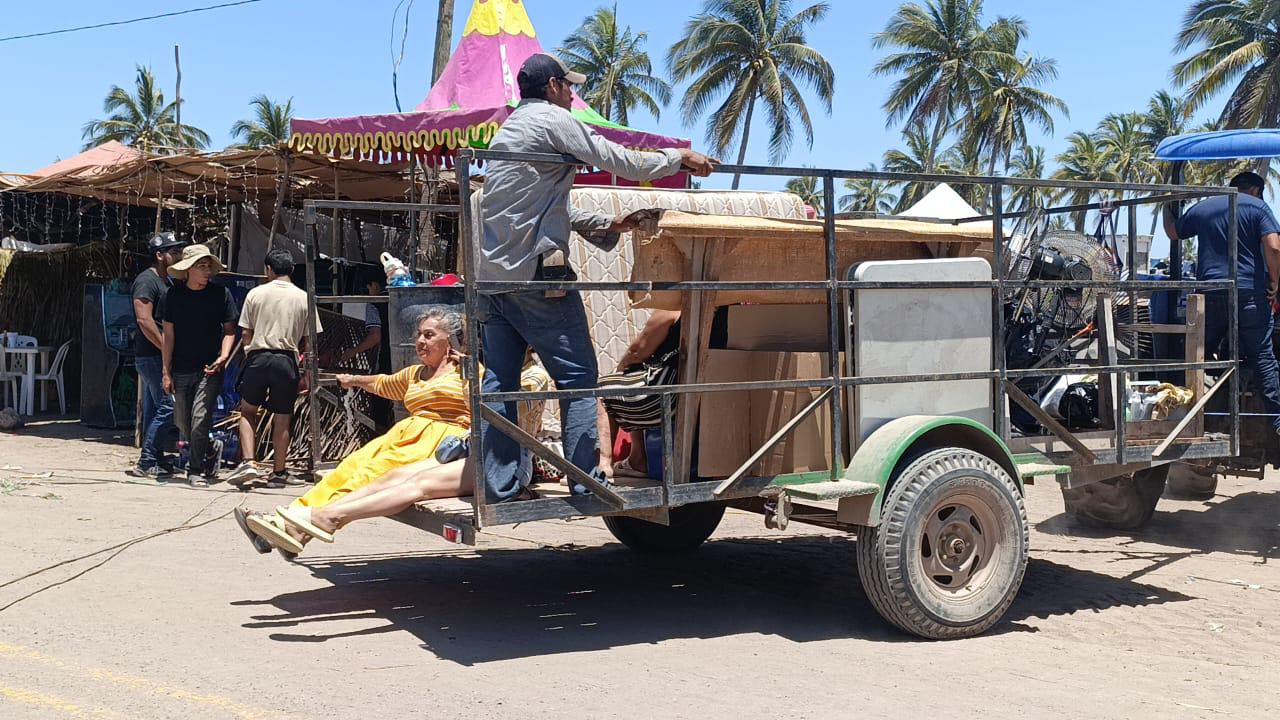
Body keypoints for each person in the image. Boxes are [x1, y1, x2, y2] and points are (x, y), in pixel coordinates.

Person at [478, 52, 717, 503]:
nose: (573, 94)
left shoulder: (508, 131)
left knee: (499, 383)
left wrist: (609, 225)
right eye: (569, 86)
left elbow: (544, 209)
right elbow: (620, 160)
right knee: (580, 380)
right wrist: (679, 158)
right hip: (536, 279)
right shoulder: (554, 119)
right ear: (552, 88)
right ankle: (587, 481)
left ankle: (499, 484)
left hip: (493, 281)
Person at [237, 307, 483, 554]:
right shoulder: (415, 374)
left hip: (439, 443)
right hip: (402, 438)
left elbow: (482, 409)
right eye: (419, 334)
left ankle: (294, 525)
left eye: (429, 335)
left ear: (450, 340)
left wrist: (468, 375)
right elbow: (383, 383)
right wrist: (353, 380)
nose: (420, 341)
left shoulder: (468, 371)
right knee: (348, 469)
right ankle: (291, 521)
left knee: (367, 476)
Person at [1164, 170, 1280, 433]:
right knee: (1262, 355)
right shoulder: (1259, 208)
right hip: (1249, 294)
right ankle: (1277, 420)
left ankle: (1179, 413)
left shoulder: (1205, 207)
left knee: (1197, 355)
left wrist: (1167, 206)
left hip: (1210, 294)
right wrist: (1275, 282)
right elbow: (1274, 247)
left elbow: (1173, 232)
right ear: (1256, 191)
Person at [226, 249, 321, 488]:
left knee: (248, 411)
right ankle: (279, 472)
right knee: (282, 418)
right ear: (291, 270)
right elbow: (310, 342)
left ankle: (249, 462)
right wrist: (307, 373)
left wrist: (250, 355)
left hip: (258, 357)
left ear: (268, 269)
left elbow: (246, 333)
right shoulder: (304, 297)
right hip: (287, 361)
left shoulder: (255, 294)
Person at [163, 244, 238, 486]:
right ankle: (209, 448)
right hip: (181, 368)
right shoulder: (173, 296)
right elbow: (168, 336)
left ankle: (194, 470)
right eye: (201, 266)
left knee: (200, 419)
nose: (207, 271)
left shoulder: (220, 294)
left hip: (210, 368)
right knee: (183, 423)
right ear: (188, 270)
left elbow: (229, 330)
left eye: (208, 266)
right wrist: (166, 371)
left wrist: (224, 356)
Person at [126, 232, 185, 479]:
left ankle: (156, 457)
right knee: (168, 406)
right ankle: (147, 460)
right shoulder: (146, 281)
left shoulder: (167, 281)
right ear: (160, 255)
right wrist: (165, 348)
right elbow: (144, 319)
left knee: (154, 408)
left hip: (159, 355)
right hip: (151, 356)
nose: (178, 255)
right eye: (173, 251)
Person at [606, 309, 680, 478]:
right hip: (706, 395)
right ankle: (636, 458)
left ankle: (602, 464)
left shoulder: (672, 309)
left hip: (669, 397)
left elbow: (637, 351)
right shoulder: (723, 312)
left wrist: (620, 370)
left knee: (604, 391)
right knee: (633, 383)